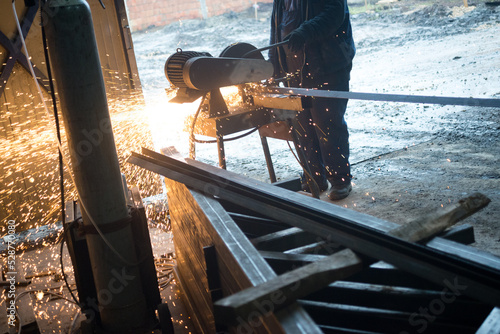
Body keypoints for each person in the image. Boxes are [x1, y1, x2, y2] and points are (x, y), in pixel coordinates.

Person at [268, 0, 356, 200]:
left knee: (328, 124)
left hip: (327, 66)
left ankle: (340, 180)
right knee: (302, 127)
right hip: (295, 70)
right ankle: (314, 177)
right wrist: (274, 65)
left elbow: (335, 13)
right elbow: (276, 26)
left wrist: (306, 31)